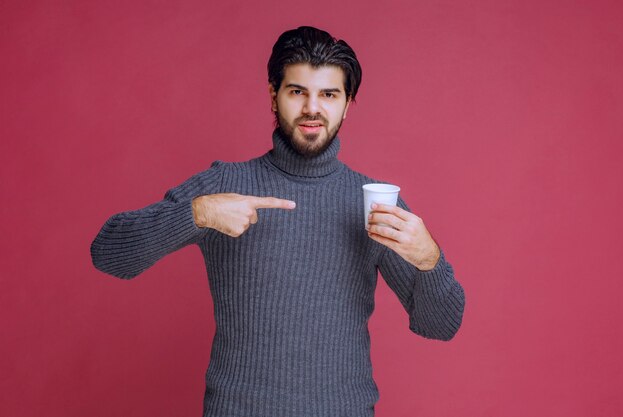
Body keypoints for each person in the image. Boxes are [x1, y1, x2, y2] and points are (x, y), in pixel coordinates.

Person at [91, 26, 465, 417]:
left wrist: (429, 259)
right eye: (297, 91)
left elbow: (441, 325)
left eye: (328, 94)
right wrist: (196, 213)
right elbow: (108, 253)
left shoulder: (372, 202)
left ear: (348, 103)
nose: (312, 108)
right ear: (274, 95)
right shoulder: (225, 184)